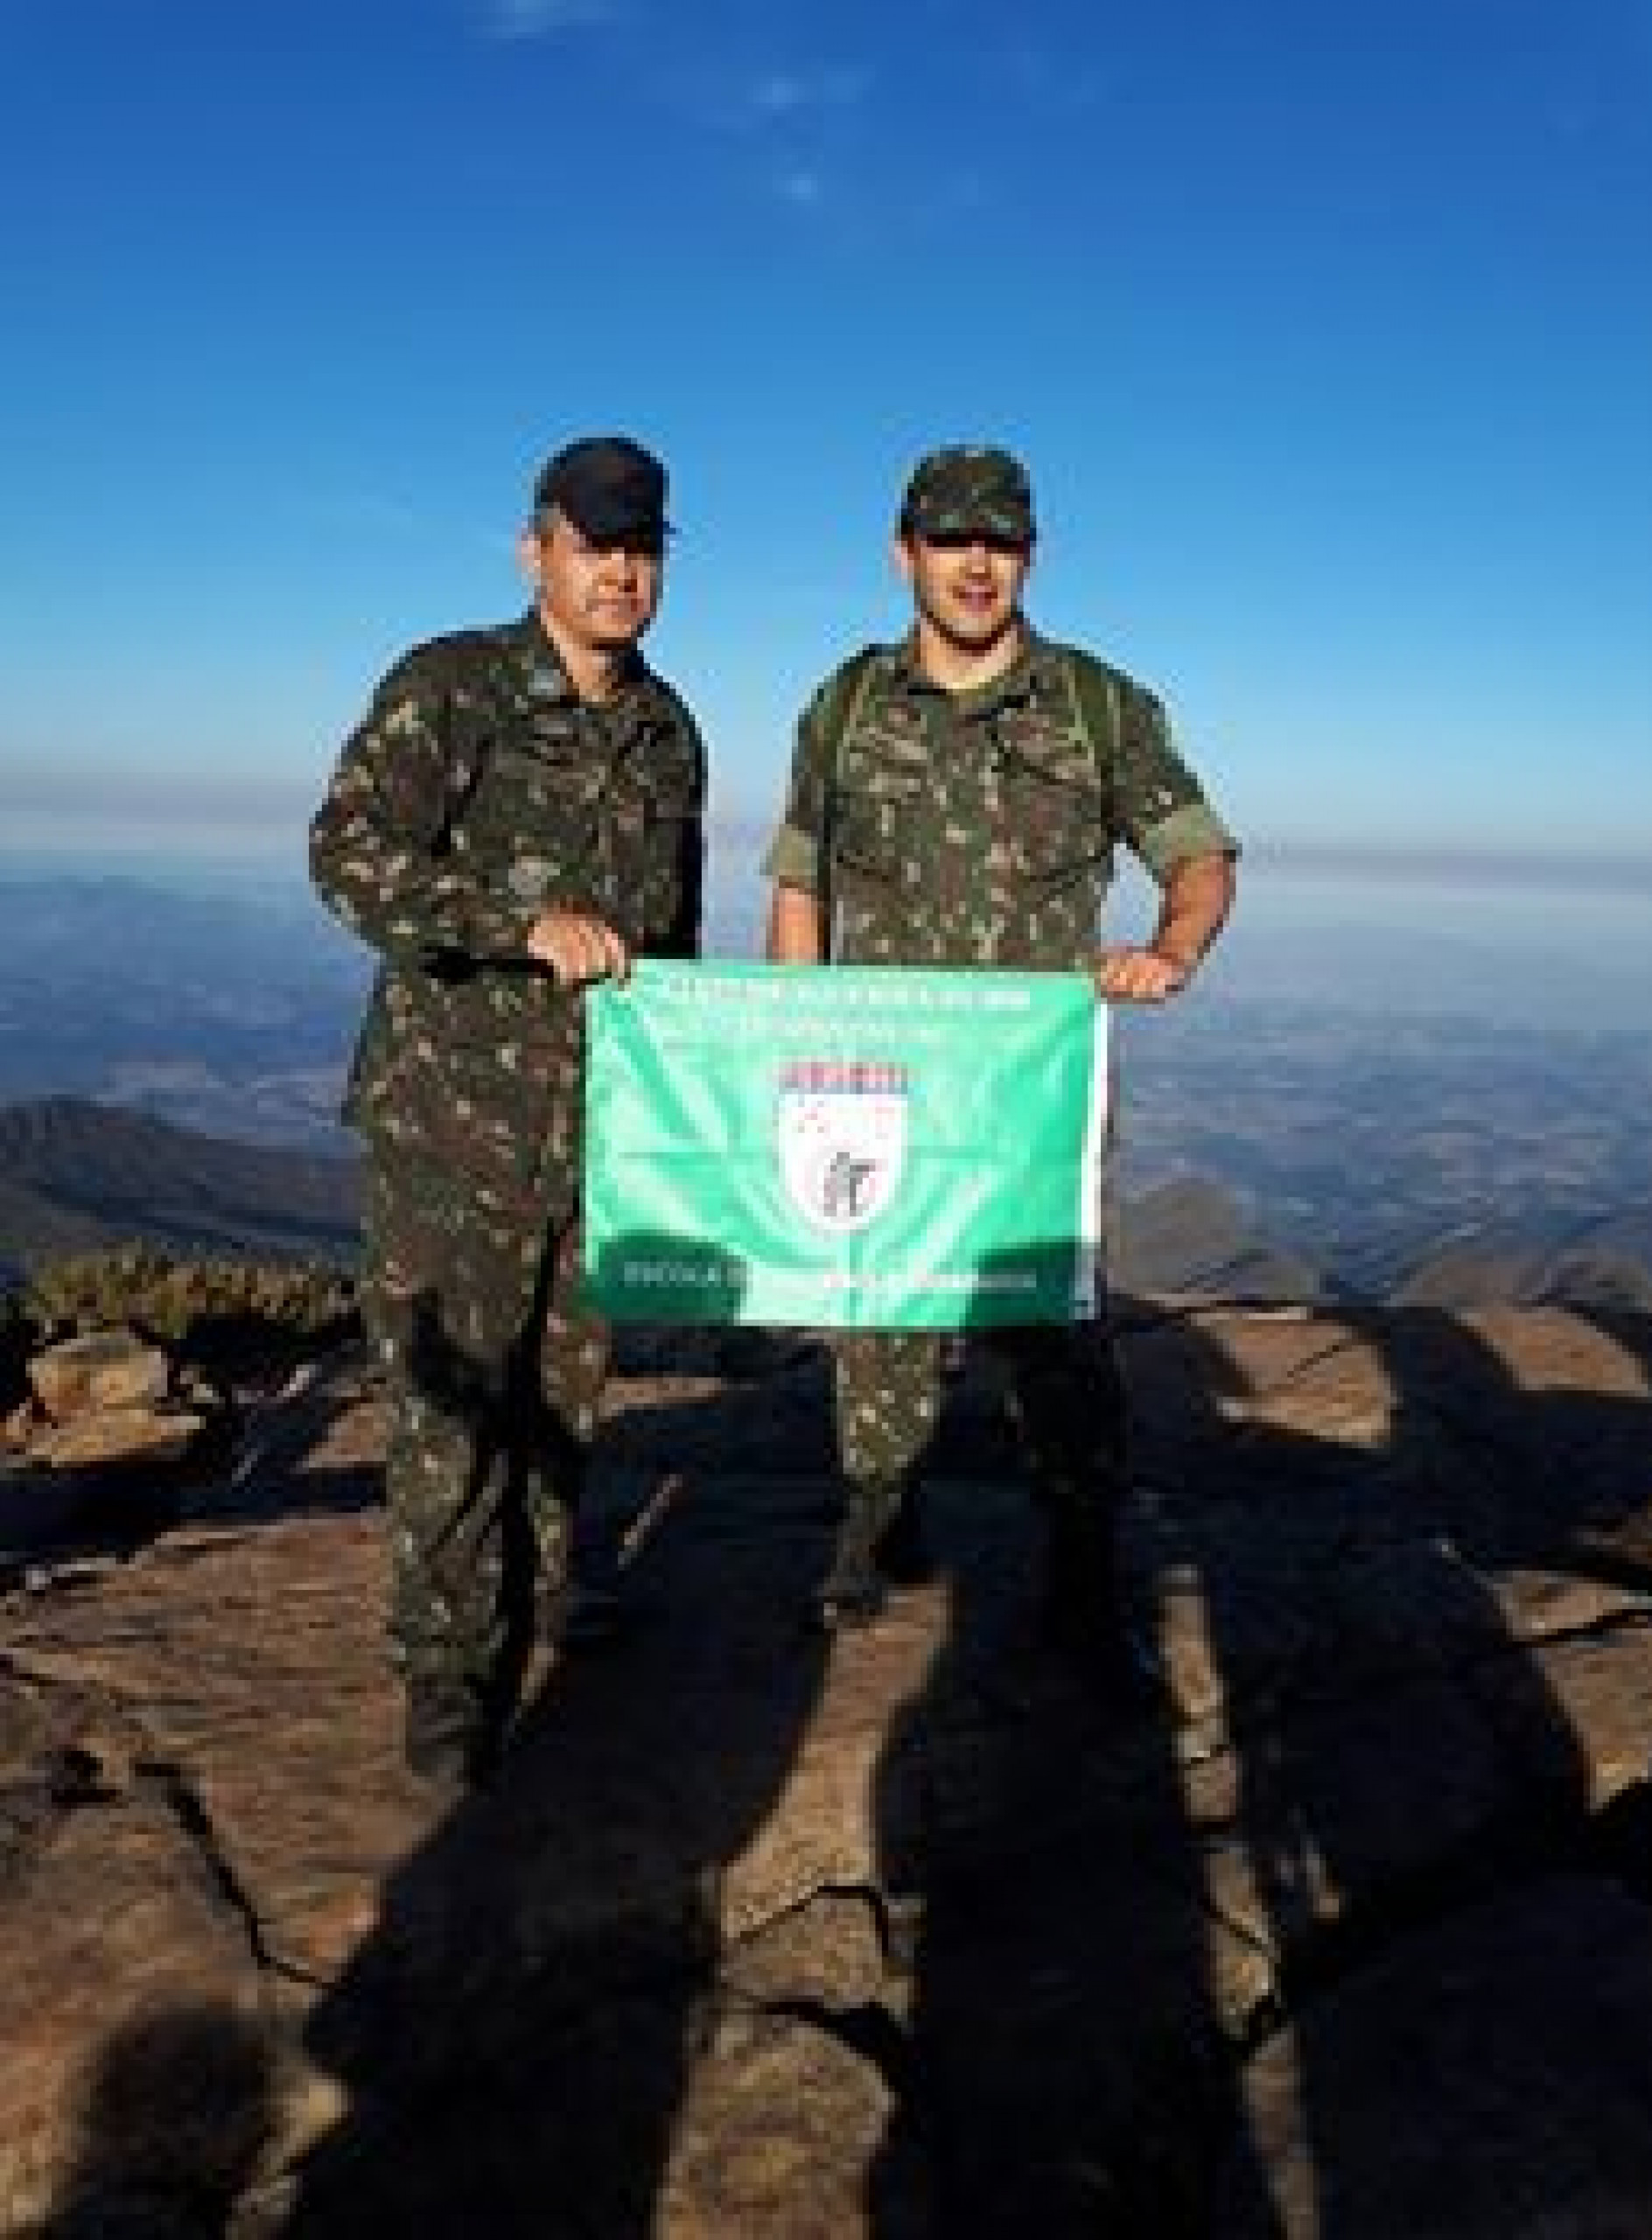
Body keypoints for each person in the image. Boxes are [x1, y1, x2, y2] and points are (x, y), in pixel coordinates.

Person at [763, 444, 1236, 1657]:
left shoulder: (1096, 705)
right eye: (951, 539)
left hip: (1033, 1097)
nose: (978, 564)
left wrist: (1170, 949)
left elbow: (1199, 856)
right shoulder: (850, 703)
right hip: (880, 1085)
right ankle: (876, 1523)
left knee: (1057, 1344)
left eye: (1003, 541)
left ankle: (1084, 1576)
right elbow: (801, 879)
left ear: (1032, 554)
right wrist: (790, 1033)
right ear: (903, 552)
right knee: (880, 1322)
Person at [311, 437, 704, 1788]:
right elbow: (347, 857)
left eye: (642, 545)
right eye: (596, 543)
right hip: (451, 1127)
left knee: (565, 1393)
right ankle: (446, 1666)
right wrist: (516, 924)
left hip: (598, 1127)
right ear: (537, 548)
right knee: (451, 1405)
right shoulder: (454, 687)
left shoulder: (669, 734)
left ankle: (535, 1605)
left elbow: (677, 943)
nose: (622, 570)